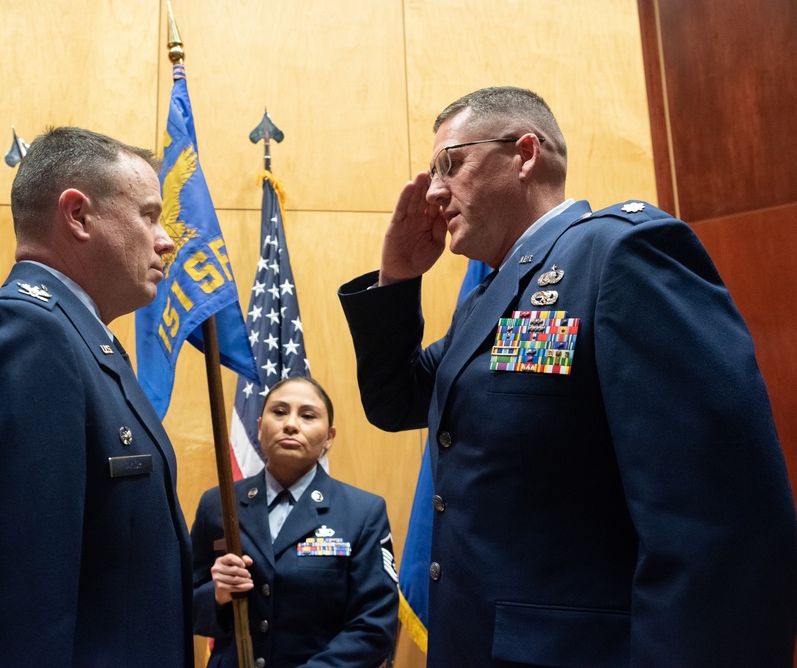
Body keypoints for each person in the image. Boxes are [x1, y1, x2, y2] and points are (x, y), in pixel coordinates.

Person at [338, 87, 797, 666]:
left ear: (525, 154)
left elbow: (722, 530)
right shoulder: (485, 299)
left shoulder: (622, 255)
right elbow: (396, 399)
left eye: (450, 165)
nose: (433, 191)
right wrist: (397, 280)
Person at [0, 127, 194, 666]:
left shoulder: (77, 343)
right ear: (77, 216)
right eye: (149, 215)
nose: (167, 238)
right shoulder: (22, 341)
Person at [191, 377, 399, 667]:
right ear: (260, 426)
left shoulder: (363, 512)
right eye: (279, 412)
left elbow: (375, 626)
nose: (290, 424)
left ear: (329, 436)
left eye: (308, 415)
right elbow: (183, 605)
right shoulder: (218, 504)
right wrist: (217, 594)